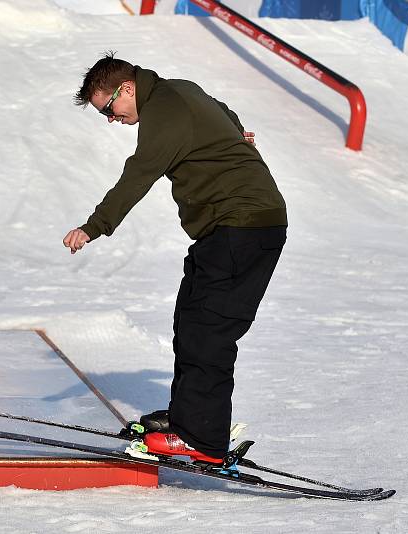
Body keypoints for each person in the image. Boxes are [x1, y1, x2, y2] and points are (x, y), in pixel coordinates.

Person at [63, 52, 287, 465]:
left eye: (108, 109)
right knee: (190, 321)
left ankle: (203, 439)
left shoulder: (164, 109)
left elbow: (139, 173)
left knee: (209, 331)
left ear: (126, 89)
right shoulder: (178, 90)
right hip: (228, 228)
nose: (111, 120)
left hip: (242, 226)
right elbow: (222, 110)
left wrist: (94, 226)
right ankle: (188, 420)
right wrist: (236, 132)